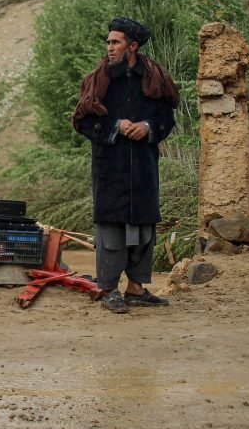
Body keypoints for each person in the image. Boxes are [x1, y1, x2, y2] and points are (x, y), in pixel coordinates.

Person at [72, 17, 179, 313]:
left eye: (116, 42)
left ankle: (136, 288)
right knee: (112, 230)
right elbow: (83, 121)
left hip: (144, 166)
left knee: (143, 229)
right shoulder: (98, 81)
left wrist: (147, 127)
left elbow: (166, 118)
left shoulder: (154, 79)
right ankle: (108, 289)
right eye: (108, 42)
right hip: (111, 168)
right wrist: (116, 126)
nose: (110, 47)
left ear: (132, 46)